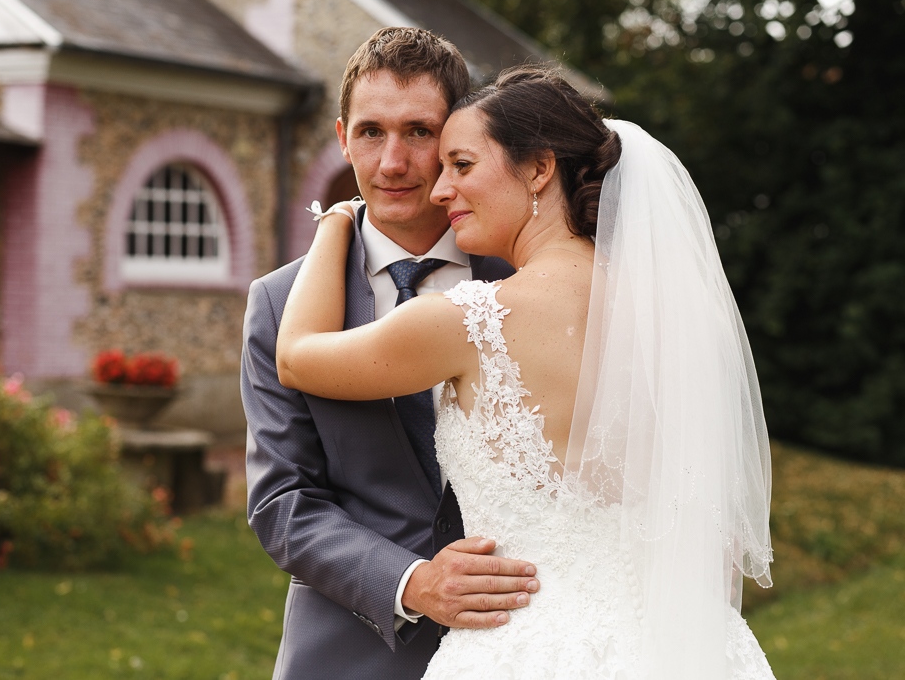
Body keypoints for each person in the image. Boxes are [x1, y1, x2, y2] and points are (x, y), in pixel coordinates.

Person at [276, 63, 777, 679]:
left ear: (539, 169)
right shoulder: (677, 313)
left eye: (460, 165)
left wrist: (334, 222)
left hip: (527, 652)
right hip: (683, 648)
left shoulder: (467, 320)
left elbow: (297, 357)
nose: (438, 188)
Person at [241, 28, 538, 680]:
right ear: (344, 137)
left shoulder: (528, 281)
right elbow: (282, 500)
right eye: (372, 132)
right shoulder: (277, 303)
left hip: (524, 639)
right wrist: (413, 581)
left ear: (458, 138)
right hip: (349, 655)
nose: (392, 162)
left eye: (418, 132)